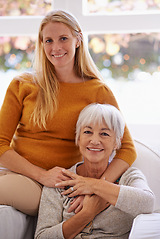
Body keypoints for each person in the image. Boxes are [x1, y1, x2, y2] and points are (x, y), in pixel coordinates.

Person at [0, 10, 136, 217]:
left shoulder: (97, 91)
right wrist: (42, 175)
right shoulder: (23, 85)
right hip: (21, 175)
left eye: (63, 38)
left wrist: (96, 187)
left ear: (78, 40)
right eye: (48, 40)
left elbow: (127, 149)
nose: (55, 47)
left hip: (57, 189)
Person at [34, 103, 155, 239]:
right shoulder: (60, 180)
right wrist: (87, 213)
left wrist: (93, 185)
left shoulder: (129, 177)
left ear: (117, 142)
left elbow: (147, 203)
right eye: (88, 132)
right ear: (78, 138)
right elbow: (42, 237)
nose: (95, 141)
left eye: (104, 134)